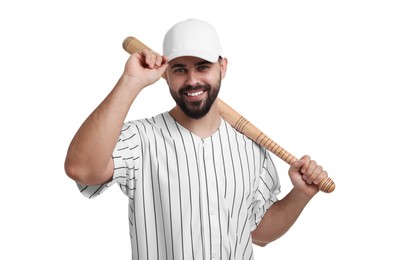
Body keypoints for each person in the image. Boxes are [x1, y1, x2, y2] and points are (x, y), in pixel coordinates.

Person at [64, 18, 329, 260]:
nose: (192, 80)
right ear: (166, 73)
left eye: (203, 67)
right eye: (180, 69)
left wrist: (301, 194)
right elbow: (82, 169)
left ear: (222, 67)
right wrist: (131, 81)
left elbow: (259, 233)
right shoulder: (139, 139)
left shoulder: (250, 147)